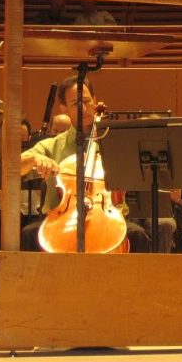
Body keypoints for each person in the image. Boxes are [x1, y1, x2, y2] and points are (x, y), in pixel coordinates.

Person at [19, 75, 150, 253]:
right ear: (63, 109)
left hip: (107, 219)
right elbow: (14, 167)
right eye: (75, 104)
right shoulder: (54, 145)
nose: (83, 108)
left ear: (95, 101)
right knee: (29, 234)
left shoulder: (114, 143)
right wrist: (35, 159)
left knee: (138, 235)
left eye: (87, 101)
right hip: (61, 220)